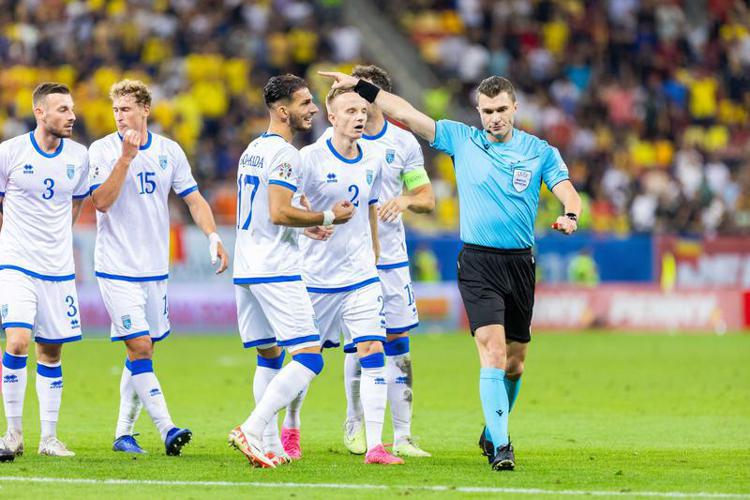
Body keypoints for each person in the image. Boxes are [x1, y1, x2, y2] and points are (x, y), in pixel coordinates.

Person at [320, 71, 582, 470]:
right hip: (478, 261)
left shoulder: (539, 151)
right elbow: (406, 113)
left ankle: (493, 427)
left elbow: (565, 188)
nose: (494, 118)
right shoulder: (462, 140)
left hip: (521, 263)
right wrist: (361, 89)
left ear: (515, 108)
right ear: (478, 111)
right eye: (487, 111)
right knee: (492, 351)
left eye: (500, 110)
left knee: (515, 361)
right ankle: (502, 446)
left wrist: (571, 214)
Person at [89, 79, 229, 456]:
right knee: (140, 345)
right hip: (116, 268)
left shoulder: (169, 151)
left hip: (154, 270)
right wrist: (125, 159)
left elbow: (194, 198)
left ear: (145, 109)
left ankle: (123, 434)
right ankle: (167, 429)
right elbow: (101, 202)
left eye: (127, 109)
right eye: (115, 110)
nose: (120, 117)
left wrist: (213, 236)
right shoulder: (102, 150)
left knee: (140, 353)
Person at [227, 74, 354, 468]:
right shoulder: (288, 155)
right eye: (305, 103)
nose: (313, 109)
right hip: (275, 269)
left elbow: (274, 211)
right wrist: (328, 216)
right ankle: (252, 427)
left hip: (248, 266)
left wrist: (306, 222)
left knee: (269, 356)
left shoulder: (253, 149)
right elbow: (278, 210)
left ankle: (268, 446)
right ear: (283, 111)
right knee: (309, 357)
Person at [297, 87, 403, 465]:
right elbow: (287, 209)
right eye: (350, 110)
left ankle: (375, 445)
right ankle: (290, 429)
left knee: (372, 350)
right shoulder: (308, 159)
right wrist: (311, 226)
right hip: (316, 277)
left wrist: (374, 250)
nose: (359, 116)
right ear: (332, 116)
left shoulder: (372, 159)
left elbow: (371, 205)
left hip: (360, 274)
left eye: (363, 109)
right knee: (305, 360)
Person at [334, 65, 435, 458]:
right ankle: (354, 424)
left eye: (362, 93)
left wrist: (405, 200)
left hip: (392, 259)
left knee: (399, 342)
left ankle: (404, 436)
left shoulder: (403, 143)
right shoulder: (337, 140)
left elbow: (426, 198)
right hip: (352, 260)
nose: (355, 102)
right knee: (359, 346)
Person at [0, 82, 90, 457]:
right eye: (63, 110)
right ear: (40, 112)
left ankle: (48, 438)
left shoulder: (80, 156)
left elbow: (77, 203)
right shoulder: (10, 152)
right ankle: (13, 434)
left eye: (71, 109)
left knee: (51, 353)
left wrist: (56, 239)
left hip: (58, 269)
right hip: (17, 263)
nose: (72, 116)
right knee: (18, 340)